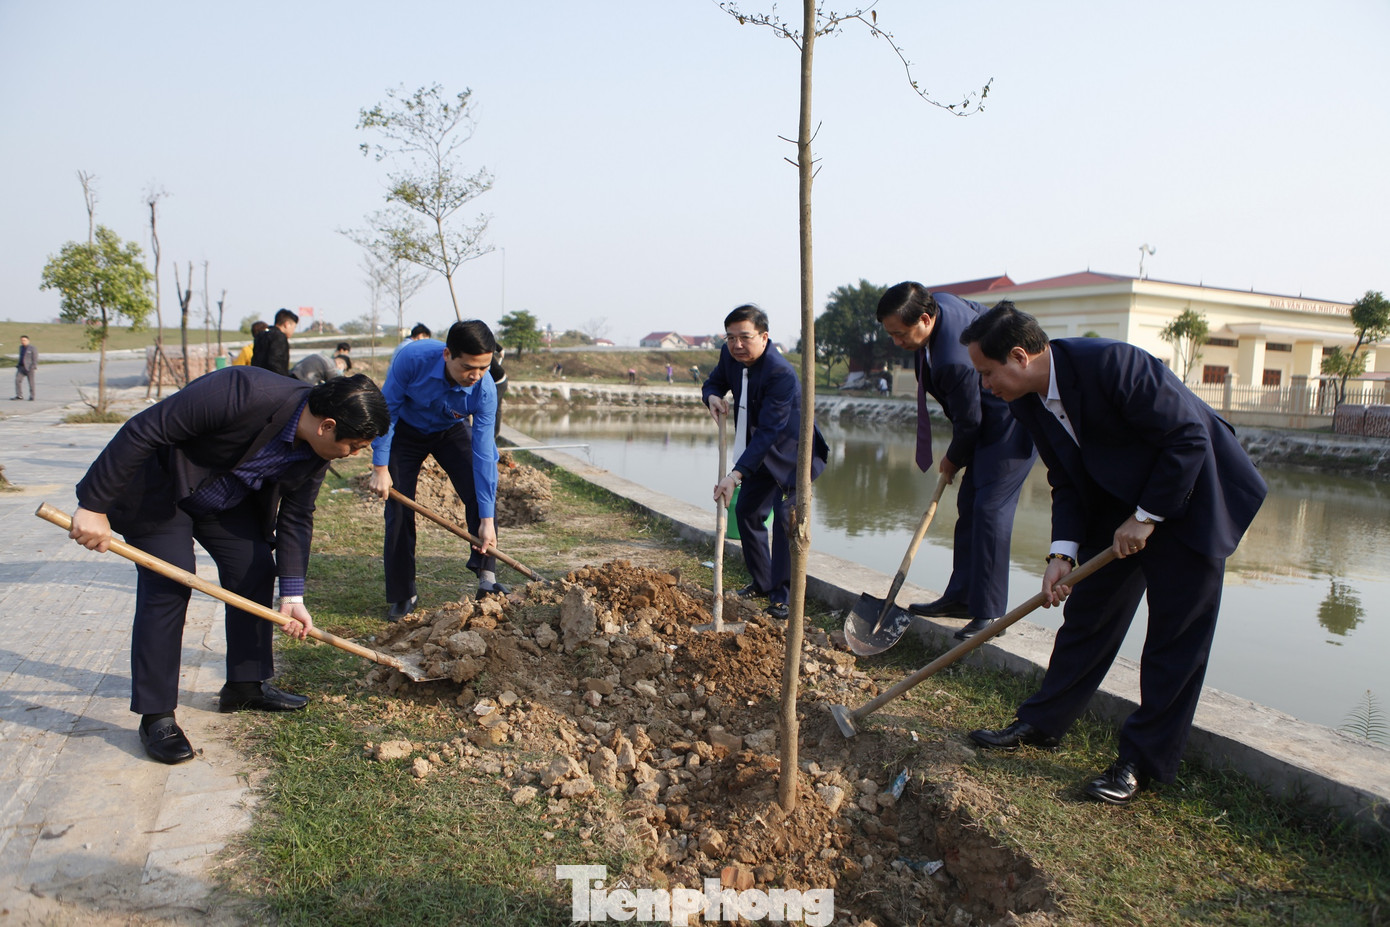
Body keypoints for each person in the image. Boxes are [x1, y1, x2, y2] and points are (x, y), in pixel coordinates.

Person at [959, 302, 1267, 805]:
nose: (984, 384)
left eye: (987, 372)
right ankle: (1042, 723)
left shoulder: (1113, 364)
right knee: (1088, 617)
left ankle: (1140, 762)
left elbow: (1188, 437)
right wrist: (1062, 554)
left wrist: (1146, 517)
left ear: (1018, 356)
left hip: (1192, 497)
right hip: (1119, 504)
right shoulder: (1027, 401)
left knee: (1174, 639)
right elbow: (1066, 478)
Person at [67, 368, 389, 764]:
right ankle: (157, 716)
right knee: (171, 581)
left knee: (254, 568)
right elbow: (144, 429)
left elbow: (297, 515)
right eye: (354, 446)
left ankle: (245, 686)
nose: (354, 455)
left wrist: (293, 596)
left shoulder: (317, 449)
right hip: (160, 489)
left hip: (223, 499)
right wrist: (93, 506)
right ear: (327, 426)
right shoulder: (242, 392)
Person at [877, 282, 1037, 641]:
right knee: (970, 503)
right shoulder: (941, 304)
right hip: (985, 417)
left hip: (1011, 420)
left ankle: (990, 612)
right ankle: (963, 597)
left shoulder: (952, 359)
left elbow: (970, 422)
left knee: (990, 509)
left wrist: (951, 459)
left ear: (925, 318)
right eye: (891, 334)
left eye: (901, 334)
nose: (897, 342)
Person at [368, 320, 504, 620]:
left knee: (480, 493)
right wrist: (380, 466)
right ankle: (403, 593)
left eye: (483, 368)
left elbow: (484, 453)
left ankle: (487, 579)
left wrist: (487, 519)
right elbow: (387, 412)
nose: (476, 376)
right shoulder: (412, 359)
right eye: (468, 367)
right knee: (399, 508)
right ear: (447, 355)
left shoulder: (484, 389)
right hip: (406, 431)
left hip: (449, 430)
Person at [702, 305, 829, 621]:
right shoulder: (730, 355)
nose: (737, 345)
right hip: (757, 451)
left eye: (745, 337)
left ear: (764, 336)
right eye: (731, 337)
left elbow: (770, 431)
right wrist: (712, 396)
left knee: (787, 518)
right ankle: (762, 582)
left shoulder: (779, 372)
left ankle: (783, 596)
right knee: (747, 512)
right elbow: (714, 382)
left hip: (791, 454)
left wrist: (735, 475)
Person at [251, 308, 299, 376]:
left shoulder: (261, 335)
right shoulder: (279, 337)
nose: (293, 331)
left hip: (257, 376)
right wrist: (284, 379)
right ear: (287, 324)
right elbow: (275, 363)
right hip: (272, 379)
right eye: (294, 327)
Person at [12, 334, 37, 400]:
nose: (23, 342)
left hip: (29, 368)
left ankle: (32, 396)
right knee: (17, 380)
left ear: (28, 340)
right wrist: (18, 365)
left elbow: (35, 358)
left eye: (24, 340)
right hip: (21, 367)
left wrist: (33, 366)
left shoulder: (32, 348)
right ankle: (19, 395)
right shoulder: (21, 347)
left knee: (31, 382)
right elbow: (21, 357)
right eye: (22, 340)